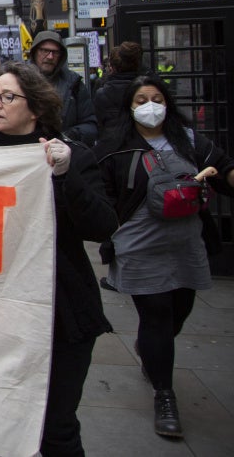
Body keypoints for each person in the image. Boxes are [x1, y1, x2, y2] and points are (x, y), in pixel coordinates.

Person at [0, 61, 117, 457]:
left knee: (56, 429)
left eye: (8, 96)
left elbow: (103, 225)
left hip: (61, 313)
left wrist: (65, 175)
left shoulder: (71, 157)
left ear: (35, 108)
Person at [95, 75, 234, 438]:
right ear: (130, 107)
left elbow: (223, 170)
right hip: (140, 246)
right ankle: (164, 394)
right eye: (141, 99)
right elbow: (102, 195)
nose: (150, 106)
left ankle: (152, 351)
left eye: (156, 98)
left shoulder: (189, 142)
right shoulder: (114, 146)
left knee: (177, 313)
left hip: (185, 244)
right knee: (155, 314)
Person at [28, 31, 98, 145]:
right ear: (35, 52)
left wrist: (70, 136)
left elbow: (90, 125)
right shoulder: (17, 81)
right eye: (45, 51)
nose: (50, 57)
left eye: (55, 52)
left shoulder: (74, 83)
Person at [93, 41, 143, 135]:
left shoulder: (102, 92)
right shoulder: (147, 88)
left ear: (112, 67)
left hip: (111, 143)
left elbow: (99, 123)